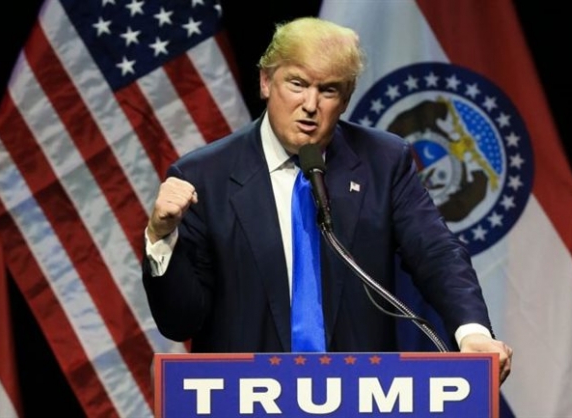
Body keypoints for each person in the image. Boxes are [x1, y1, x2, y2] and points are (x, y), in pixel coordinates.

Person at [142, 17, 513, 384]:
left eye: (329, 90)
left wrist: (473, 332)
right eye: (297, 84)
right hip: (246, 397)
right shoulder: (204, 176)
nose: (310, 104)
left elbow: (435, 251)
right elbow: (180, 322)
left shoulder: (383, 162)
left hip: (361, 394)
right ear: (266, 82)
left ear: (346, 99)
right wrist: (161, 236)